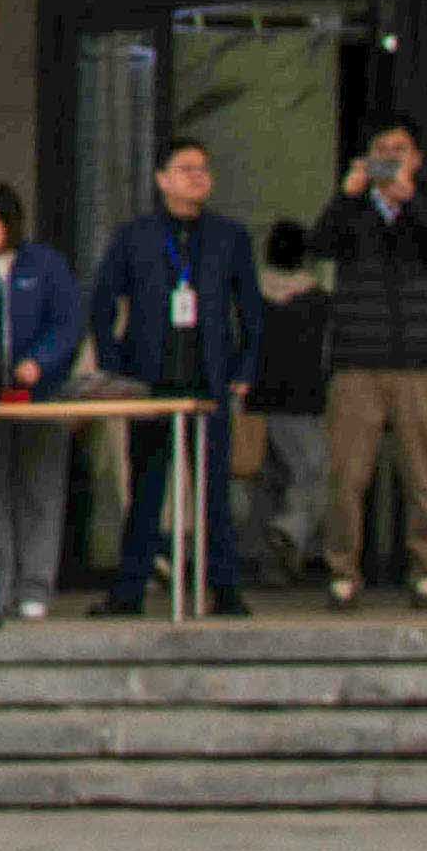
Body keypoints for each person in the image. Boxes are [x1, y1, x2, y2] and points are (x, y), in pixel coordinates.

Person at [84, 141, 263, 619]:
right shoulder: (135, 237)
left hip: (210, 379)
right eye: (185, 169)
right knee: (146, 487)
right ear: (161, 178)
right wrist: (115, 365)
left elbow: (251, 310)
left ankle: (223, 588)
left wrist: (245, 369)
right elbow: (102, 303)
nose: (197, 177)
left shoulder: (229, 237)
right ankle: (130, 590)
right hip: (151, 381)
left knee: (214, 490)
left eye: (203, 169)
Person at [315, 126, 427, 606]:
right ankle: (342, 571)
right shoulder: (352, 212)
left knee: (421, 472)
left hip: (419, 361)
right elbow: (319, 244)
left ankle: (425, 569)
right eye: (380, 153)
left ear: (417, 159)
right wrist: (347, 196)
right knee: (347, 473)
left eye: (399, 153)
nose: (389, 161)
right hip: (357, 360)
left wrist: (410, 203)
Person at [0, 185, 81, 625]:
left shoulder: (45, 265)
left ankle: (36, 586)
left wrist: (39, 363)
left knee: (40, 490)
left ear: (11, 222)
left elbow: (67, 323)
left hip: (40, 399)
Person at [236, 219, 330, 595]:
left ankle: (264, 561)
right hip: (301, 403)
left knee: (264, 483)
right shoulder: (319, 302)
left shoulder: (250, 298)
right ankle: (289, 533)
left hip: (254, 401)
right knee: (314, 474)